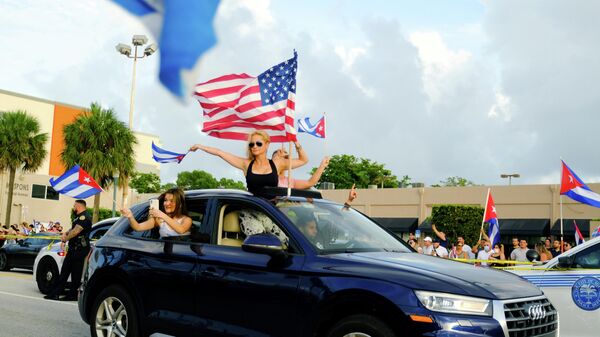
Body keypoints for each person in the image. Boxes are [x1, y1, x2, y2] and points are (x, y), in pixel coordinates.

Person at [189, 131, 308, 197]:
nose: (254, 146)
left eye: (258, 143)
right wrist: (200, 146)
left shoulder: (277, 163)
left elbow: (303, 160)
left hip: (272, 211)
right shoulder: (246, 164)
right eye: (252, 144)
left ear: (267, 145)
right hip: (252, 209)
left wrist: (295, 142)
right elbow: (220, 153)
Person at [44, 199, 92, 301]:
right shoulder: (78, 218)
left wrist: (65, 238)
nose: (74, 208)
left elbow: (76, 231)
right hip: (73, 249)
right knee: (65, 272)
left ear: (78, 206)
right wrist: (66, 233)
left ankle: (72, 295)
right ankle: (56, 293)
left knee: (76, 274)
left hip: (79, 250)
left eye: (75, 206)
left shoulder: (85, 217)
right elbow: (72, 229)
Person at [122, 188, 192, 239]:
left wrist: (161, 214)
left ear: (179, 204)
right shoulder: (159, 220)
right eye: (165, 200)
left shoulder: (186, 220)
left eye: (171, 201)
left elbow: (181, 230)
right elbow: (138, 227)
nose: (167, 203)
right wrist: (130, 216)